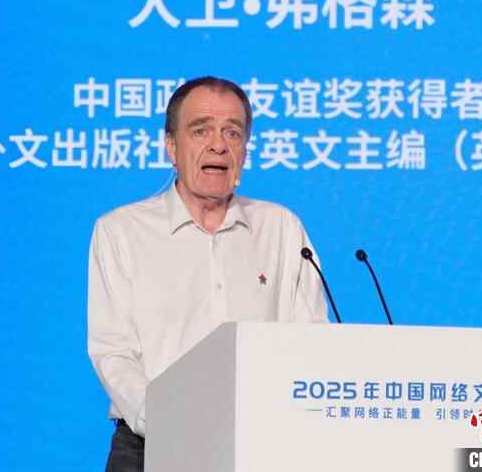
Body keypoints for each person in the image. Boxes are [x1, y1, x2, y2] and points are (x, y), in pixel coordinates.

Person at [88, 76, 329, 472]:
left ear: (245, 150)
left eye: (232, 132)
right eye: (201, 130)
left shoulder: (281, 229)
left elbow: (309, 340)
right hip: (152, 445)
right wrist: (169, 420)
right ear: (170, 146)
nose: (218, 144)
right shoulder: (122, 231)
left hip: (259, 445)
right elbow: (113, 352)